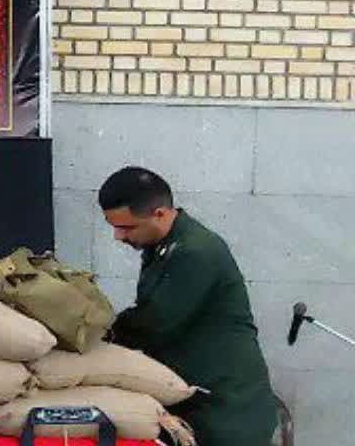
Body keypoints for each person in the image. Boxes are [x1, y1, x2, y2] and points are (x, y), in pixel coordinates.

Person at [99, 167, 277, 446]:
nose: (118, 236)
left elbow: (153, 324)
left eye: (127, 227)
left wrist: (95, 332)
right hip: (197, 401)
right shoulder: (162, 246)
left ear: (159, 214)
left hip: (225, 411)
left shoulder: (195, 251)